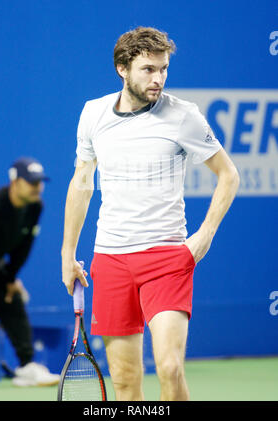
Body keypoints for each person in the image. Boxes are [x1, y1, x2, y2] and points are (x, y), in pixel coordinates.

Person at [61, 27, 240, 401]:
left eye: (163, 69)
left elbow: (228, 174)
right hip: (110, 259)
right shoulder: (93, 114)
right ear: (122, 69)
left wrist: (203, 236)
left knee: (170, 368)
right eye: (148, 69)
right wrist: (67, 253)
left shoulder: (183, 115)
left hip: (167, 258)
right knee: (126, 382)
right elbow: (81, 183)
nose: (158, 78)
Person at [0, 157, 60, 387]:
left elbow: (23, 246)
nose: (37, 187)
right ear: (15, 182)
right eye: (31, 182)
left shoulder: (35, 207)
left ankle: (26, 366)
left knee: (12, 297)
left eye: (39, 181)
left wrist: (11, 278)